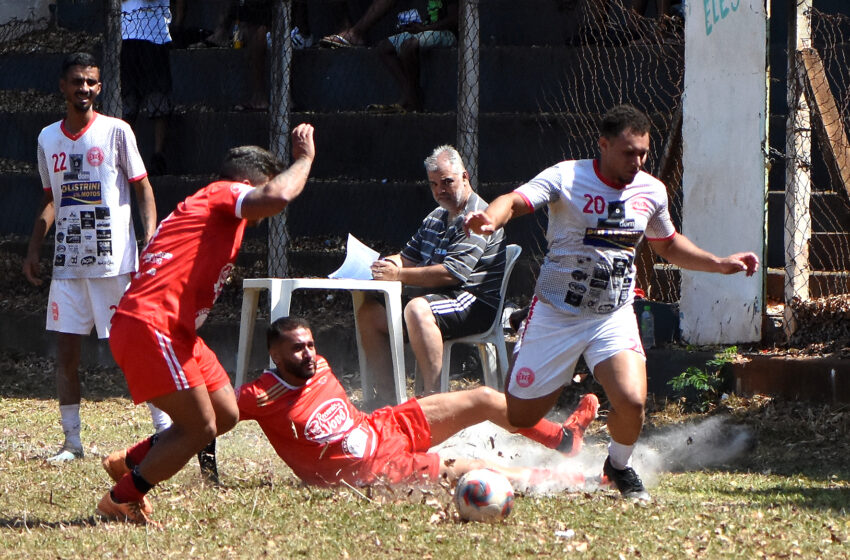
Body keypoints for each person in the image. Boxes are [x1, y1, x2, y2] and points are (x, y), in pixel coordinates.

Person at [464, 104, 760, 500]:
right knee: (520, 415)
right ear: (602, 145)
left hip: (611, 314)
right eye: (628, 152)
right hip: (557, 312)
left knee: (633, 401)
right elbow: (514, 200)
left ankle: (618, 466)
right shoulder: (567, 176)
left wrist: (718, 263)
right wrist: (491, 218)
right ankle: (555, 414)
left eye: (643, 152)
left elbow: (667, 244)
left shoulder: (651, 190)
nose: (637, 161)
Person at [95, 124, 316, 526]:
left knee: (225, 412)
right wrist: (305, 160)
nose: (262, 216)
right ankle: (121, 499)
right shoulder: (223, 193)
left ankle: (126, 462)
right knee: (200, 427)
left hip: (175, 331)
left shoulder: (213, 215)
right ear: (247, 182)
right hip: (151, 324)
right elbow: (277, 196)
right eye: (260, 185)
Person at [236, 317, 598, 488]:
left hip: (383, 425)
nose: (309, 354)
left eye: (311, 345)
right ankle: (569, 481)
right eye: (297, 349)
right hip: (371, 471)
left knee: (484, 398)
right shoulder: (260, 395)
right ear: (274, 354)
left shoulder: (320, 367)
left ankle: (563, 440)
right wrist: (210, 470)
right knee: (474, 467)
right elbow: (211, 417)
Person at [22, 52, 171, 465]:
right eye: (76, 81)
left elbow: (142, 188)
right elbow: (51, 198)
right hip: (68, 266)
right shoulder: (47, 139)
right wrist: (35, 247)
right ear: (62, 87)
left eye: (90, 82)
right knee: (66, 354)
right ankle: (72, 443)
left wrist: (150, 238)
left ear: (99, 87)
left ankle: (165, 430)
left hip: (114, 264)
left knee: (134, 351)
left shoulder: (117, 132)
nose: (83, 89)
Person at [357, 145, 506, 404]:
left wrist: (399, 274)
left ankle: (432, 402)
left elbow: (451, 275)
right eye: (434, 184)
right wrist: (385, 265)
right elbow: (407, 256)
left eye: (447, 182)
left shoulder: (478, 215)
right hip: (434, 300)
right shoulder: (436, 217)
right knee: (369, 313)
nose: (440, 191)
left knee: (417, 309)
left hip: (474, 301)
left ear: (465, 176)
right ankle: (388, 402)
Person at [121, 0, 182, 174]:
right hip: (125, 34)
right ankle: (125, 156)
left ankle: (158, 156)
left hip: (154, 35)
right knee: (128, 99)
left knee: (158, 95)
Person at [370, 0, 458, 113]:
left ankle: (412, 102)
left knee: (408, 46)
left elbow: (453, 20)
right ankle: (410, 94)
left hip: (447, 33)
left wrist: (425, 29)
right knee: (384, 47)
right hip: (427, 29)